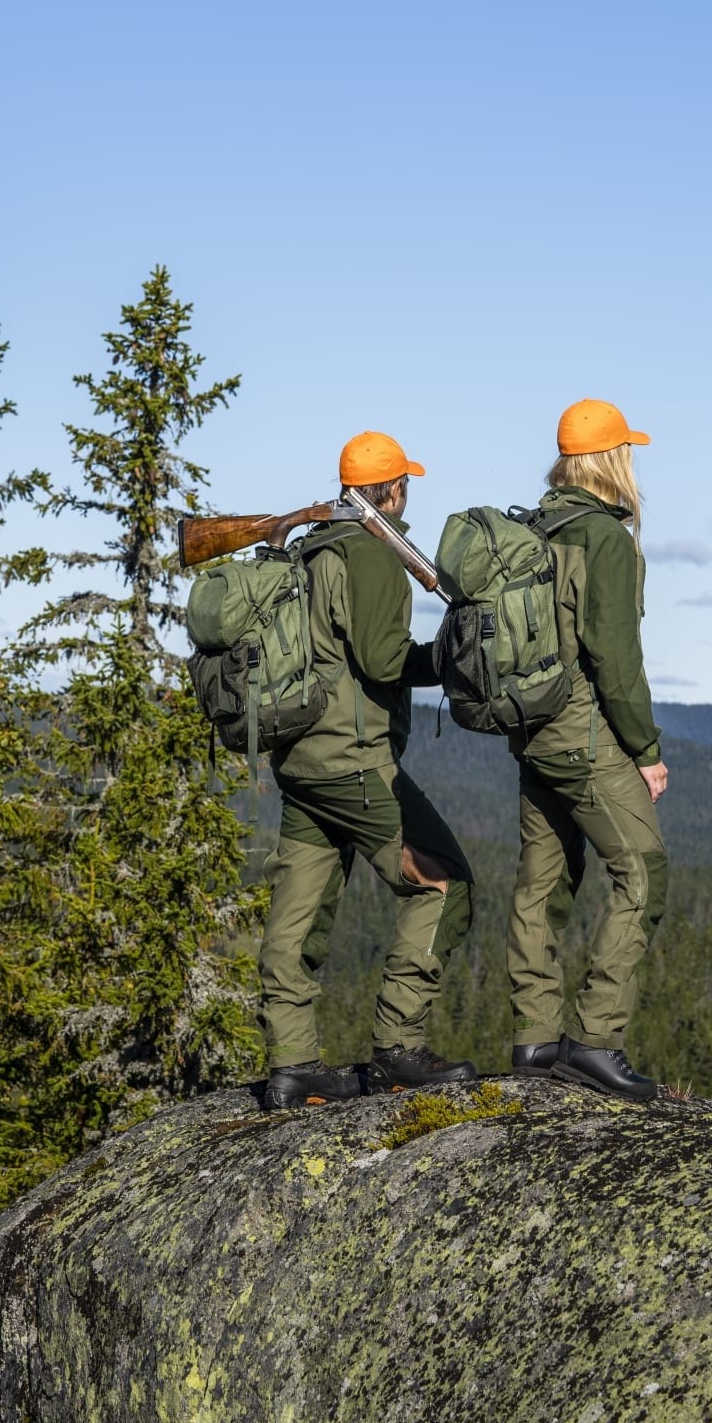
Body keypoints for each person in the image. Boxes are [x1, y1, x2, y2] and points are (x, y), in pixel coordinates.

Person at [257, 431, 477, 1111]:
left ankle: (292, 1065)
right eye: (405, 482)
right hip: (355, 763)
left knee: (297, 914)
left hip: (299, 757)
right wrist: (446, 656)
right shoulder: (374, 556)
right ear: (392, 489)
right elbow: (384, 662)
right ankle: (397, 1051)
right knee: (443, 882)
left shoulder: (309, 547)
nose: (407, 491)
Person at [506, 399, 670, 1100]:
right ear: (613, 459)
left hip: (530, 730)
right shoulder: (603, 538)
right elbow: (615, 656)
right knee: (643, 872)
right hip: (583, 732)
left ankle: (535, 1038)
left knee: (542, 878)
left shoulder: (531, 528)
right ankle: (596, 1040)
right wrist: (645, 748)